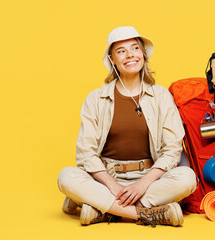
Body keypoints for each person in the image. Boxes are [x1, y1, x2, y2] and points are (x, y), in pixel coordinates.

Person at [57, 26, 197, 227]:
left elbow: (172, 149)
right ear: (112, 59)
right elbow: (85, 154)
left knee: (187, 177)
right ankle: (149, 213)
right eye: (121, 51)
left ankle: (104, 210)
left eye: (135, 48)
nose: (130, 55)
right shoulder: (95, 98)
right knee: (66, 177)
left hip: (150, 178)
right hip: (106, 178)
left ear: (143, 54)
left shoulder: (161, 96)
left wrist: (143, 184)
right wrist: (112, 185)